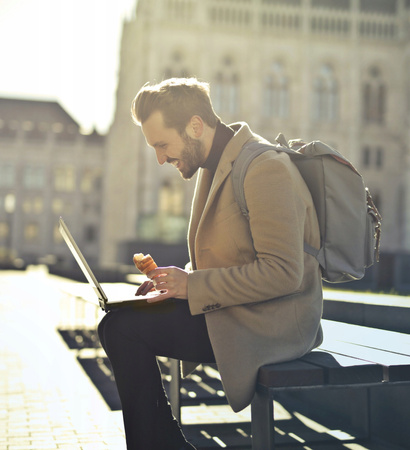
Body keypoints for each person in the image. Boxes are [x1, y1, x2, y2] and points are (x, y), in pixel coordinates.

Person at [98, 77, 323, 450]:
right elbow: (231, 255)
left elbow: (284, 272)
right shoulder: (215, 167)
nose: (160, 158)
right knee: (116, 324)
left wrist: (193, 286)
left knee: (122, 329)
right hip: (239, 311)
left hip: (273, 324)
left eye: (162, 145)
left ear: (195, 126)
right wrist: (175, 281)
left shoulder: (265, 167)